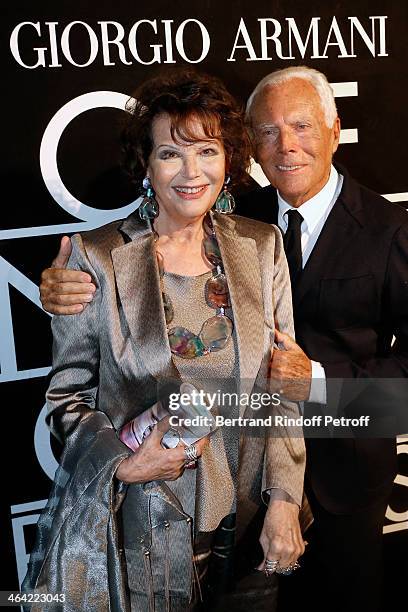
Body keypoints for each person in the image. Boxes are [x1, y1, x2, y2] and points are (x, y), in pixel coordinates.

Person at [41, 66, 408, 611]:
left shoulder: (390, 231)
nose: (286, 147)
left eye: (303, 127)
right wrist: (60, 291)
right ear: (249, 151)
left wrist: (319, 388)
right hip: (175, 520)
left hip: (338, 483)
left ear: (335, 130)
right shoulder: (245, 224)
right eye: (267, 132)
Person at [25, 70, 307, 611]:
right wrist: (121, 465)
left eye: (206, 150)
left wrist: (285, 499)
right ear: (145, 166)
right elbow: (67, 397)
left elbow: (283, 387)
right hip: (145, 532)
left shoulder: (262, 246)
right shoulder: (99, 259)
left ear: (228, 161)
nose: (191, 171)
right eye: (170, 154)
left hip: (250, 528)